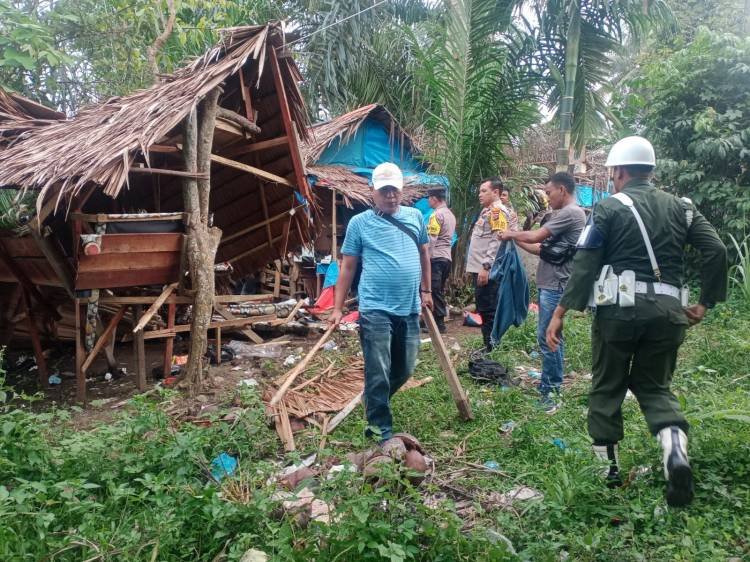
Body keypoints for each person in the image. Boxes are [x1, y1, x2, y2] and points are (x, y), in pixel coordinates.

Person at [546, 136, 727, 507]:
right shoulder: (683, 208)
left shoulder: (608, 209)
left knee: (607, 386)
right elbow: (717, 250)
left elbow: (585, 266)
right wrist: (706, 302)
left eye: (613, 173)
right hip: (669, 314)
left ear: (620, 171)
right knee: (654, 385)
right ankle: (674, 445)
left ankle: (607, 472)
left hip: (619, 312)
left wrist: (560, 313)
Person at [329, 162, 432, 442]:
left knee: (405, 368)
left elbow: (424, 254)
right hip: (375, 308)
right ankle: (380, 430)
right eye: (384, 190)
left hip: (409, 306)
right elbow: (348, 266)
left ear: (402, 191)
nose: (390, 196)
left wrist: (427, 291)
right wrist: (338, 308)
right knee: (378, 369)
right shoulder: (359, 224)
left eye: (394, 190)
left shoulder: (414, 217)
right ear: (372, 190)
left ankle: (375, 400)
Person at [501, 172, 586, 412]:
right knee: (553, 336)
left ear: (562, 189)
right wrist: (515, 238)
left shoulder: (571, 213)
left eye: (548, 193)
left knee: (546, 337)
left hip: (556, 284)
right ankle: (550, 385)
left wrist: (512, 233)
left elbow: (537, 236)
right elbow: (542, 248)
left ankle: (551, 391)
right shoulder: (569, 215)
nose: (547, 198)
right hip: (552, 282)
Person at [466, 177, 508, 351]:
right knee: (484, 308)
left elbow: (496, 241)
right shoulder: (488, 211)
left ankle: (491, 348)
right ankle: (489, 345)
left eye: (484, 191)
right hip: (481, 269)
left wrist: (486, 267)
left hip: (487, 270)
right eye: (480, 191)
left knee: (488, 309)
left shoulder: (497, 211)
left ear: (496, 192)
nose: (480, 195)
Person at [425, 187, 456, 334]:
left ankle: (437, 324)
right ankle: (437, 322)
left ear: (434, 198)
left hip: (436, 257)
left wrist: (426, 258)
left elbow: (432, 239)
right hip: (446, 258)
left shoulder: (436, 215)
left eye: (429, 198)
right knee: (439, 289)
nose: (428, 201)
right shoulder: (450, 214)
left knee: (433, 290)